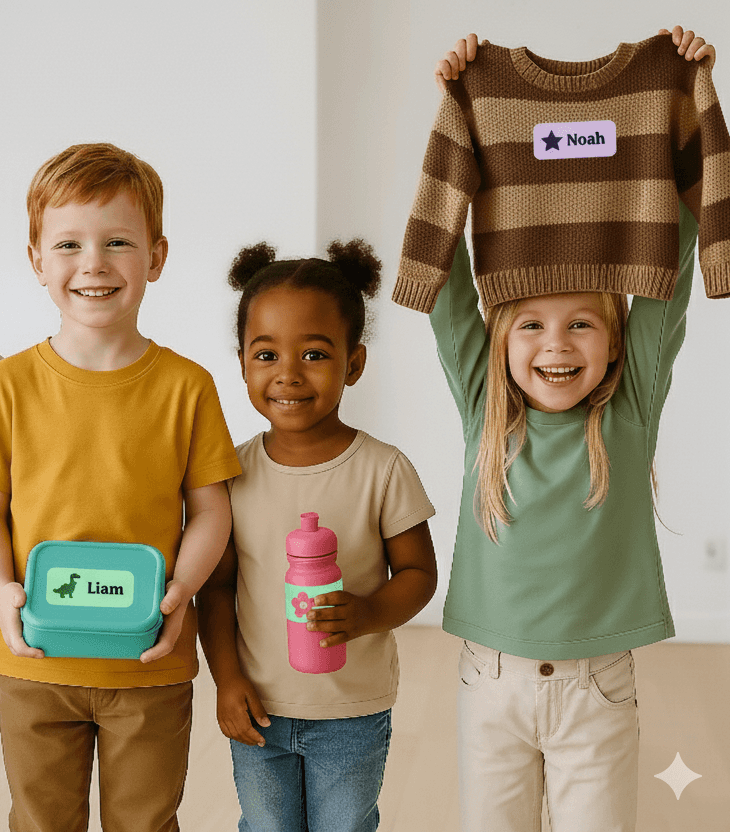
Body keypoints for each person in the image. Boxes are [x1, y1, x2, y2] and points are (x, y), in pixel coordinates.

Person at [422, 29, 717, 831]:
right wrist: (455, 114)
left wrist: (684, 103)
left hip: (598, 686)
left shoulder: (630, 405)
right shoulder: (483, 401)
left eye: (582, 323)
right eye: (531, 326)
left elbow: (670, 264)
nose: (556, 346)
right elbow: (445, 282)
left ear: (616, 341)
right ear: (498, 341)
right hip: (491, 683)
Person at [0, 142, 242, 832]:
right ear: (37, 260)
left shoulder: (187, 387)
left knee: (146, 822)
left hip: (149, 661)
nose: (94, 263)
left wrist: (181, 591)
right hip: (36, 660)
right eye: (69, 244)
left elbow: (211, 511)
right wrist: (1, 593)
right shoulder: (9, 384)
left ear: (156, 257)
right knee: (40, 821)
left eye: (118, 242)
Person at [197, 241, 438, 832]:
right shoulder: (230, 472)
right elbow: (217, 589)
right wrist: (227, 680)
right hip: (259, 706)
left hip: (351, 709)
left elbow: (418, 574)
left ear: (353, 364)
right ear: (242, 361)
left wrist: (368, 612)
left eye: (314, 354)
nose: (288, 373)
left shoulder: (382, 469)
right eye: (266, 354)